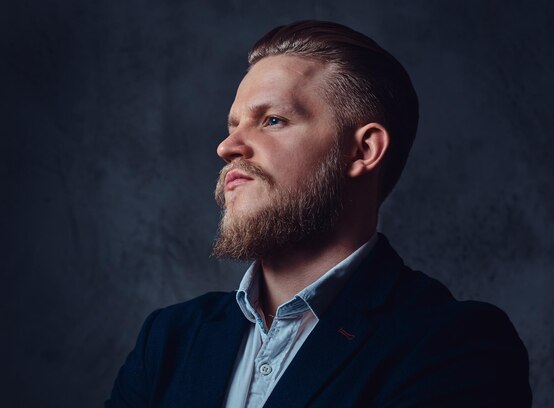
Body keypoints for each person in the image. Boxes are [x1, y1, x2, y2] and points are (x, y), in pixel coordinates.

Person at [107, 20, 531, 407]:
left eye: (271, 120)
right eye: (233, 125)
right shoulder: (169, 339)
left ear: (363, 150)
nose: (228, 147)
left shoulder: (454, 345)